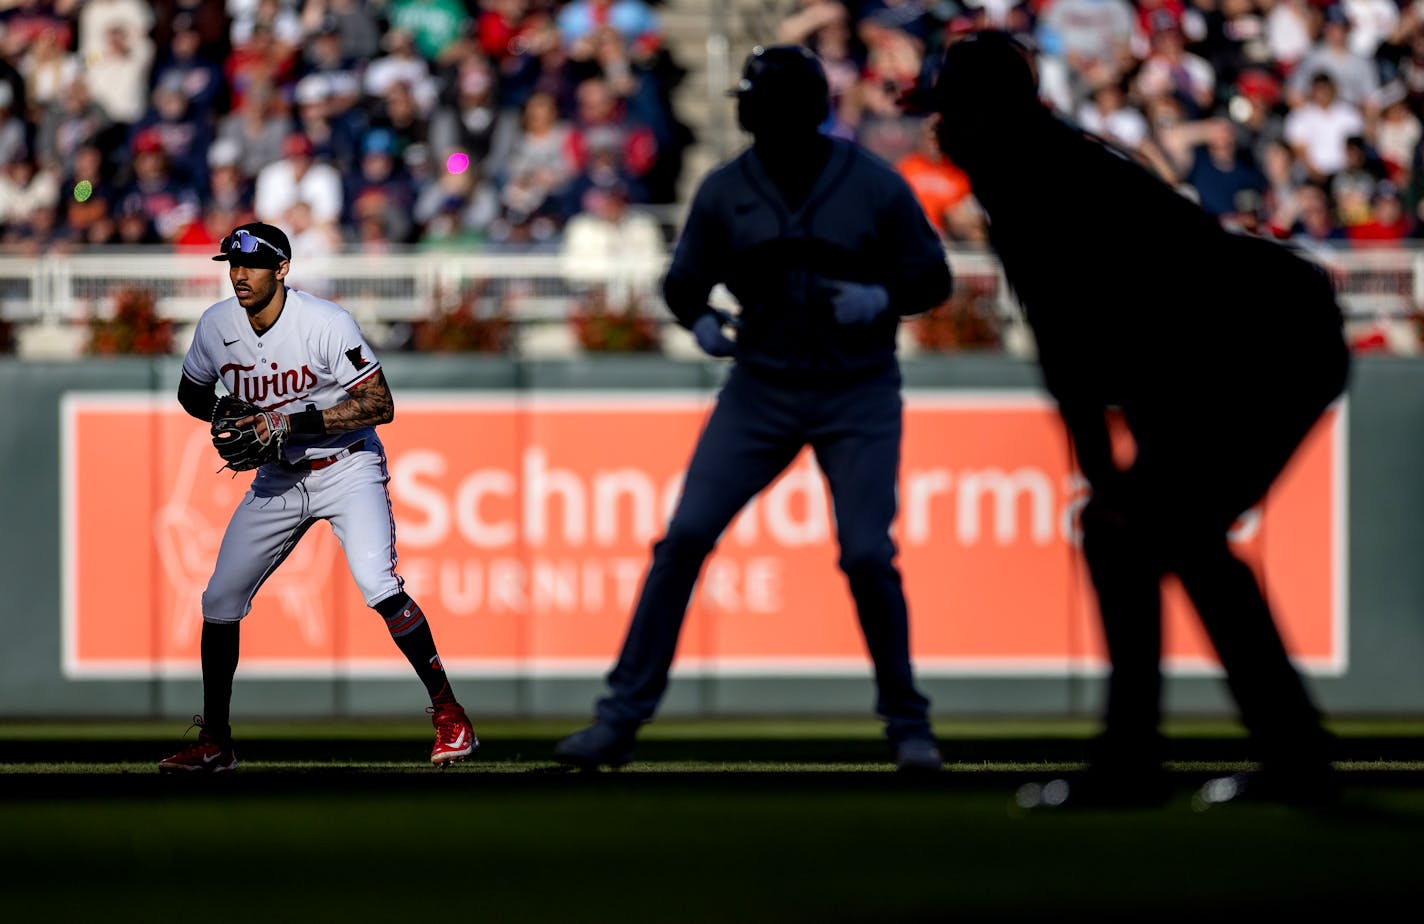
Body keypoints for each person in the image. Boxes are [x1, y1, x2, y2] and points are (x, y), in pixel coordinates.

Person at [930, 32, 1349, 806]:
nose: (940, 132)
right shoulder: (1040, 168)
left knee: (1141, 530)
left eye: (952, 114)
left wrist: (1108, 480)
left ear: (988, 114)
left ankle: (1145, 763)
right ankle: (1282, 757)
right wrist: (1116, 481)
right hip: (1245, 343)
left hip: (1260, 343)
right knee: (1169, 535)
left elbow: (1080, 356)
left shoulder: (1034, 182)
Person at [554, 45, 952, 772]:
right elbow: (683, 285)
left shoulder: (870, 183)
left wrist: (883, 298)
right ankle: (618, 720)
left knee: (868, 553)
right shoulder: (726, 188)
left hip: (854, 388)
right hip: (761, 386)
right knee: (683, 542)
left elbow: (933, 275)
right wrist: (700, 319)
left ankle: (907, 724)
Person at [159, 221, 478, 773]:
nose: (240, 276)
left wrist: (289, 420)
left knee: (380, 585)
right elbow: (191, 392)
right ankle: (215, 741)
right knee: (219, 599)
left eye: (253, 265)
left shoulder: (325, 322)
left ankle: (451, 716)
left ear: (282, 268)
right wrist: (229, 417)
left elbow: (380, 403)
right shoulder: (216, 326)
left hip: (347, 464)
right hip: (279, 478)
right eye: (233, 265)